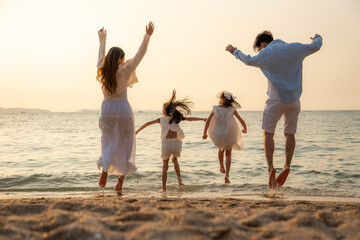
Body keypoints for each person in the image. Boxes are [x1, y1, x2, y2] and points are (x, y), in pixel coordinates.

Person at [225, 31, 322, 188]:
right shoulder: (296, 48)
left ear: (263, 44)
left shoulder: (267, 52)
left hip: (274, 101)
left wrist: (234, 51)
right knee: (290, 134)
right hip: (294, 101)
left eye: (259, 49)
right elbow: (316, 46)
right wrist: (318, 38)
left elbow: (248, 60)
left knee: (268, 133)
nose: (260, 52)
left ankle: (271, 168)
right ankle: (287, 166)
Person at [96, 22, 155, 194]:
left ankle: (105, 170)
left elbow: (100, 54)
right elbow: (140, 54)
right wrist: (147, 36)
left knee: (107, 141)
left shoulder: (102, 69)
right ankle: (121, 178)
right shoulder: (126, 68)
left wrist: (102, 38)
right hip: (122, 109)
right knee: (126, 142)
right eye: (123, 58)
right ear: (121, 59)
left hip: (107, 108)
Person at [136, 90, 207, 192]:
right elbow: (190, 119)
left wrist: (137, 131)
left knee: (165, 166)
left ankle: (164, 188)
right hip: (176, 143)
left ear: (164, 110)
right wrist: (203, 119)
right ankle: (180, 181)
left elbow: (147, 123)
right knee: (175, 160)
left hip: (166, 144)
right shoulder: (176, 118)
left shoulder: (161, 119)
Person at [203, 91, 247, 184]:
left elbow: (208, 121)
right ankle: (227, 175)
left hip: (218, 134)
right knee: (228, 154)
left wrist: (205, 133)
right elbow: (241, 120)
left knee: (220, 149)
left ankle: (221, 166)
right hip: (229, 133)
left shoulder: (215, 108)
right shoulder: (232, 109)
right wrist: (245, 128)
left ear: (221, 99)